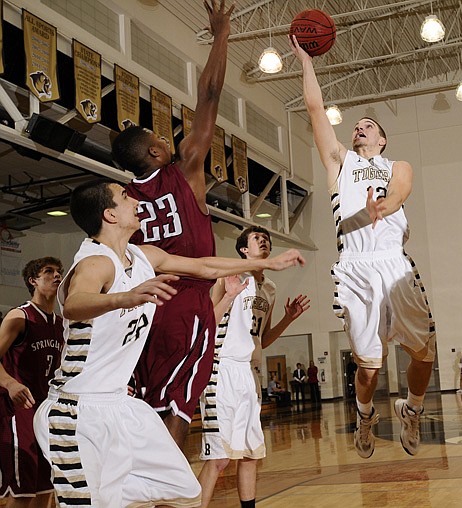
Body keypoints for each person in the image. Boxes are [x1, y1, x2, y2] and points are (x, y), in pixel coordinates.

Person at [32, 180, 305, 508]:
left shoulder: (143, 255)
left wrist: (262, 264)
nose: (135, 200)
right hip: (77, 411)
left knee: (184, 491)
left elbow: (204, 266)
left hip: (120, 405)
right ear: (110, 215)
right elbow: (75, 303)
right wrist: (125, 297)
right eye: (124, 196)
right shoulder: (96, 262)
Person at [291, 36, 436, 459]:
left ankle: (413, 409)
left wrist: (383, 207)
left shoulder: (397, 165)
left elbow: (400, 192)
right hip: (355, 265)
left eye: (368, 125)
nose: (360, 127)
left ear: (383, 140)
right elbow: (316, 110)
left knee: (424, 353)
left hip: (394, 264)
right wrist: (306, 63)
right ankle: (365, 413)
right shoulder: (340, 162)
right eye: (356, 125)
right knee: (369, 369)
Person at [111, 0, 234, 449]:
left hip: (143, 306)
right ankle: (169, 489)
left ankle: (144, 487)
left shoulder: (120, 200)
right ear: (155, 154)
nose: (165, 139)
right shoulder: (185, 168)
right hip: (186, 301)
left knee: (149, 404)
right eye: (158, 139)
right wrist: (221, 34)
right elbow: (209, 96)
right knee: (181, 404)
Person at [198, 226, 310, 508]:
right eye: (256, 238)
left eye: (267, 239)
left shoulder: (269, 288)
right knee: (219, 457)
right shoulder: (229, 275)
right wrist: (228, 296)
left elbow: (264, 338)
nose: (264, 241)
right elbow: (206, 324)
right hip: (221, 369)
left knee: (250, 454)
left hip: (249, 373)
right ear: (243, 250)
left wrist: (288, 319)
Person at [0, 257, 64, 507]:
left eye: (59, 272)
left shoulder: (60, 324)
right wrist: (10, 384)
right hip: (19, 413)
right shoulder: (19, 316)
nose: (57, 276)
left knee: (46, 491)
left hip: (47, 413)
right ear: (33, 281)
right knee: (22, 494)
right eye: (49, 272)